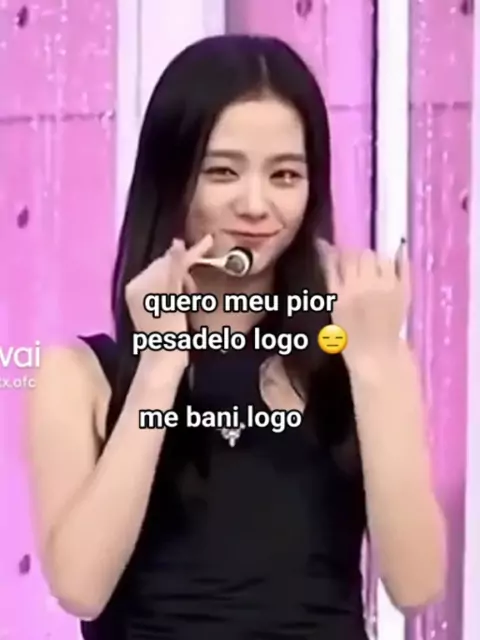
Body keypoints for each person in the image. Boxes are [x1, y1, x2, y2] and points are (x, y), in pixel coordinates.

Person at [27, 34, 446, 640]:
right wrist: (161, 364)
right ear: (171, 177)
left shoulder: (355, 357)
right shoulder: (79, 376)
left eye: (286, 175)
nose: (256, 204)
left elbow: (417, 586)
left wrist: (376, 365)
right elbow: (80, 589)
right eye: (222, 171)